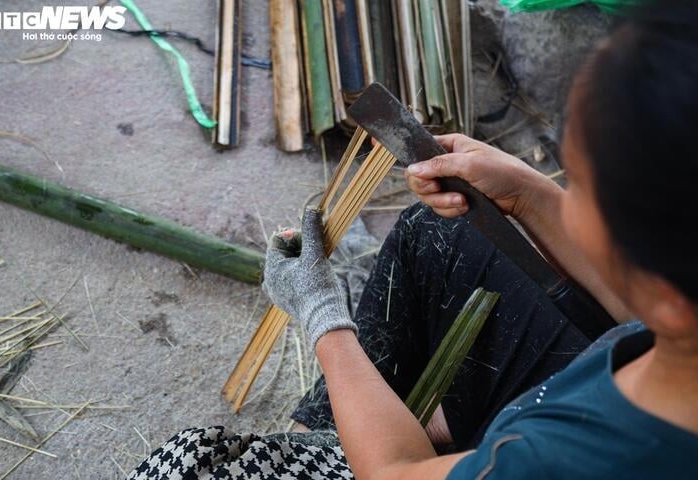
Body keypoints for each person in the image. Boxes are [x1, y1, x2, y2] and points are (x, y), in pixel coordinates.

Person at [128, 1, 697, 478]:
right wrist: (525, 192)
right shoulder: (677, 322)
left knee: (192, 464)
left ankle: (340, 443)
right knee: (440, 234)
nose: (566, 205)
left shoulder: (564, 457)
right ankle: (330, 432)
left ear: (663, 292)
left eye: (582, 192)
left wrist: (323, 317)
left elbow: (397, 474)